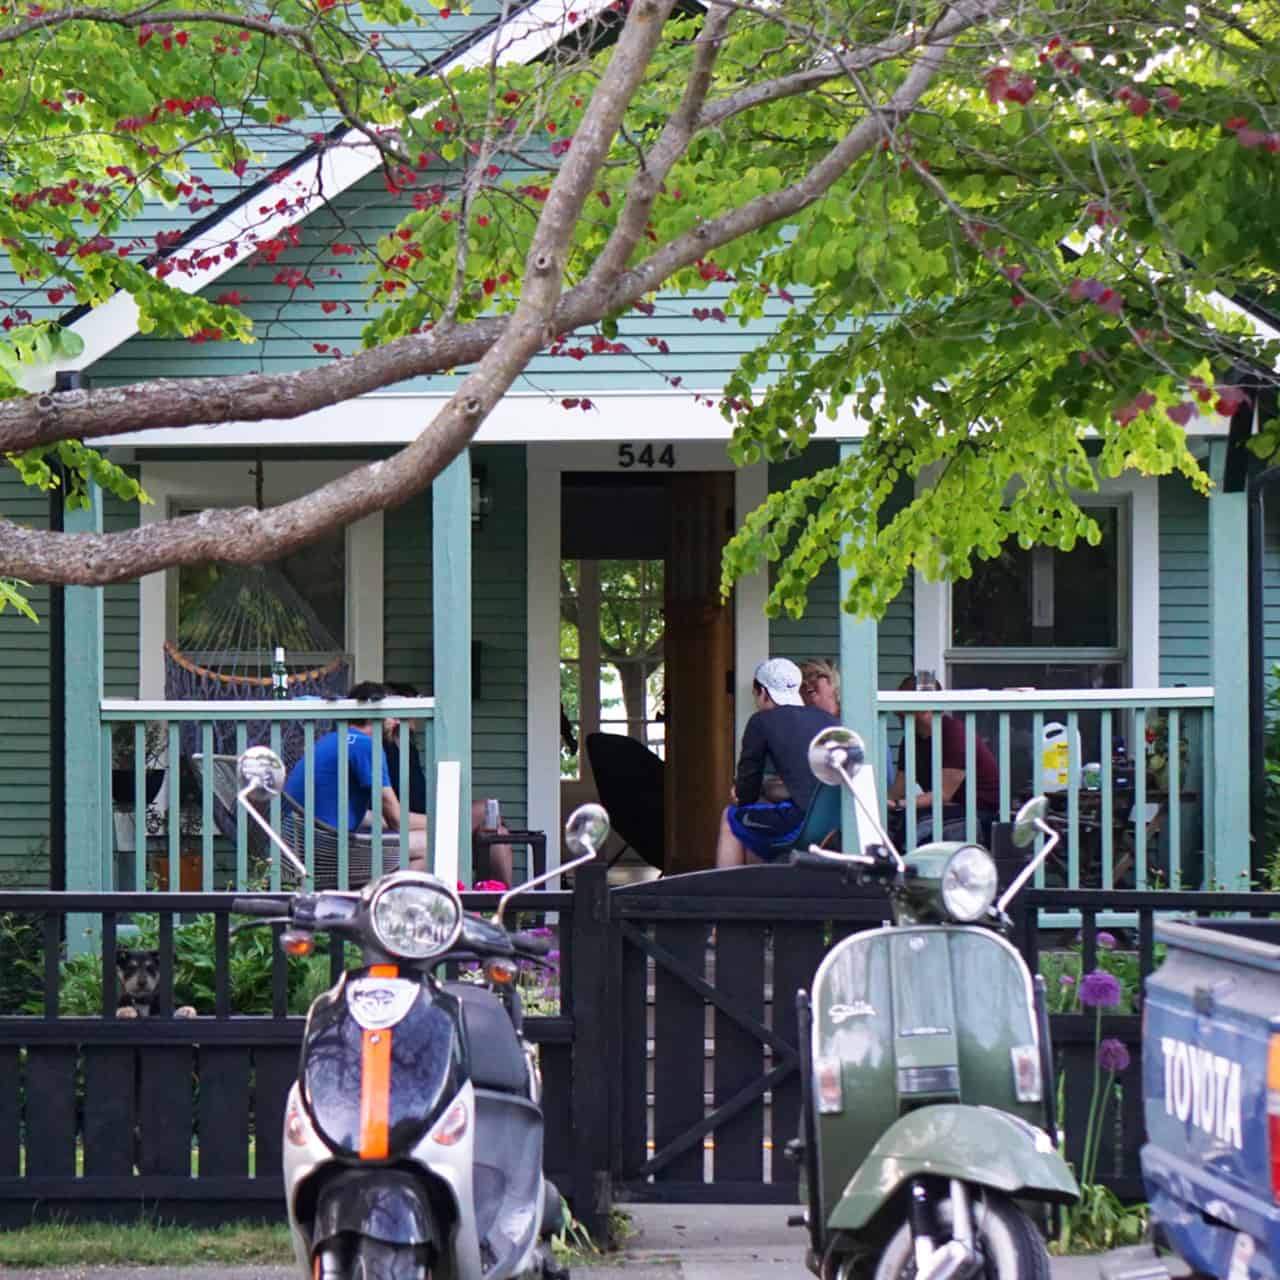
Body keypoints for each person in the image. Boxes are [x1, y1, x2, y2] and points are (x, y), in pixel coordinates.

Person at [282, 680, 429, 869]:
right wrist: (441, 822)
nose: (398, 721)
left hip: (301, 845)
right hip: (327, 849)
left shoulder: (333, 740)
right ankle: (389, 898)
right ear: (374, 715)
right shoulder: (365, 746)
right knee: (431, 842)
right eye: (393, 715)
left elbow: (371, 817)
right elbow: (397, 821)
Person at [383, 681, 514, 885]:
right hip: (410, 822)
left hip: (424, 816)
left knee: (498, 833)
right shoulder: (384, 749)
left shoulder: (408, 748)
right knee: (485, 810)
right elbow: (393, 811)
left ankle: (497, 902)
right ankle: (494, 899)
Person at [715, 658, 839, 867]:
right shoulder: (826, 719)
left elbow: (748, 785)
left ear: (763, 692)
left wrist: (742, 795)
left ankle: (724, 895)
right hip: (833, 823)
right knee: (758, 818)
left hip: (800, 824)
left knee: (731, 818)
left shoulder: (761, 721)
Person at [887, 674, 998, 845]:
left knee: (915, 833)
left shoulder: (955, 734)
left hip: (980, 813)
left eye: (902, 703)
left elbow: (942, 795)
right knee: (893, 825)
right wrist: (881, 805)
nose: (896, 712)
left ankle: (904, 868)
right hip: (945, 810)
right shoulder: (911, 738)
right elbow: (899, 788)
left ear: (924, 706)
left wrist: (897, 804)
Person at [800, 658, 896, 786]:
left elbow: (884, 775)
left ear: (833, 684)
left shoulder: (856, 720)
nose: (809, 684)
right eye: (802, 684)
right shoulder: (802, 724)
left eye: (817, 677)